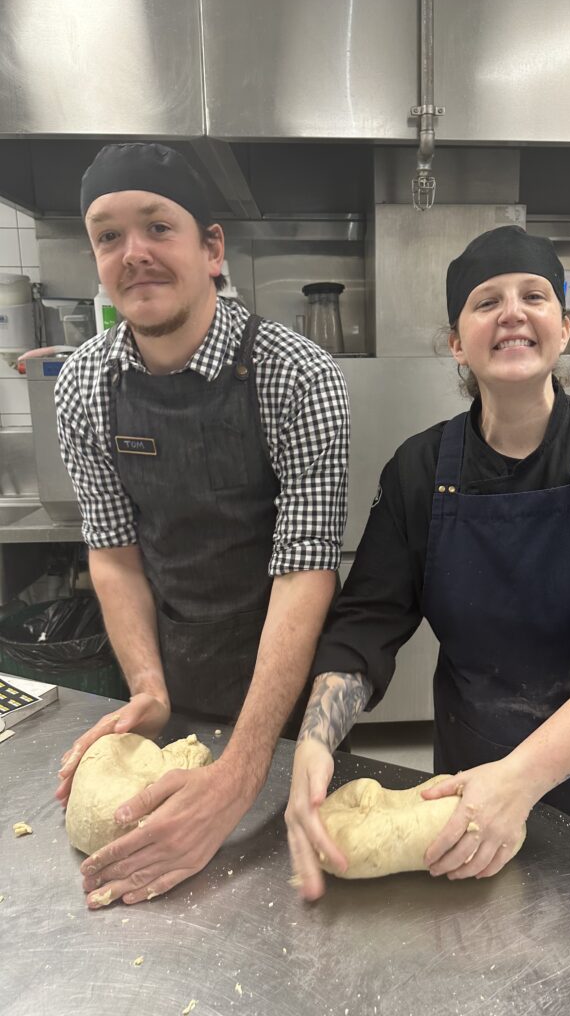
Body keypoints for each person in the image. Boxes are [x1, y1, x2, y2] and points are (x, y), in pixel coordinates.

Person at [285, 225, 570, 1016]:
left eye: (533, 296)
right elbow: (368, 618)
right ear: (456, 341)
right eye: (486, 302)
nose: (512, 314)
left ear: (566, 331)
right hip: (472, 770)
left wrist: (521, 781)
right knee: (494, 979)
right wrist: (316, 738)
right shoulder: (419, 470)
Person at [54, 143, 349, 908]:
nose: (135, 254)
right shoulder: (83, 384)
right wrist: (148, 686)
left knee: (282, 897)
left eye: (158, 226)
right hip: (174, 676)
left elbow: (305, 568)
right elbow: (114, 554)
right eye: (109, 236)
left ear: (212, 249)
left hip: (286, 697)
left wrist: (243, 770)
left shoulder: (299, 376)